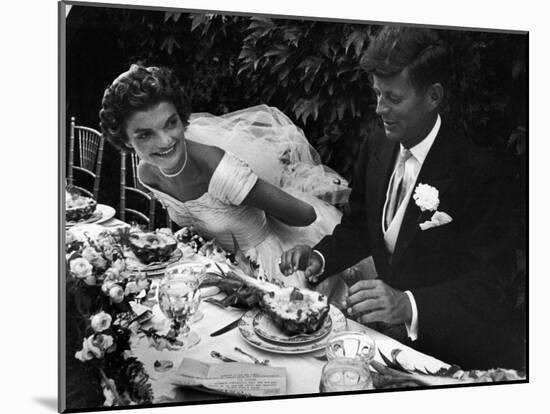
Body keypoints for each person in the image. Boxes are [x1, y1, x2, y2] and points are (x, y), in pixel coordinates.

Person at [279, 26, 524, 370]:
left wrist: (408, 305)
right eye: (377, 94)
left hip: (455, 352)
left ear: (433, 96)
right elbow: (359, 227)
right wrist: (320, 257)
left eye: (393, 98)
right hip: (388, 343)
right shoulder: (376, 145)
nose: (379, 109)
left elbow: (491, 287)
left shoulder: (479, 172)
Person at [99, 64, 348, 295]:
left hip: (272, 274)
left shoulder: (219, 170)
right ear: (124, 141)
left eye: (171, 123)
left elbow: (305, 215)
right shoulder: (147, 173)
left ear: (182, 117)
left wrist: (254, 202)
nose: (165, 141)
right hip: (221, 272)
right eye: (145, 135)